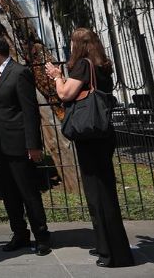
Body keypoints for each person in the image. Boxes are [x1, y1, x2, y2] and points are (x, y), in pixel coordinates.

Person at [45, 27, 135, 268]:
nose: (71, 47)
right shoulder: (103, 65)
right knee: (105, 190)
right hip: (103, 132)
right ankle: (111, 247)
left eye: (72, 43)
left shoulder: (83, 65)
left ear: (79, 45)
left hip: (89, 135)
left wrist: (56, 75)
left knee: (97, 193)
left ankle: (111, 254)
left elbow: (65, 93)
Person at [0, 34, 52, 256]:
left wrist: (33, 144)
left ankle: (41, 236)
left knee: (28, 191)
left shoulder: (19, 72)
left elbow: (30, 111)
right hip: (1, 144)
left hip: (19, 143)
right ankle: (19, 234)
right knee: (10, 193)